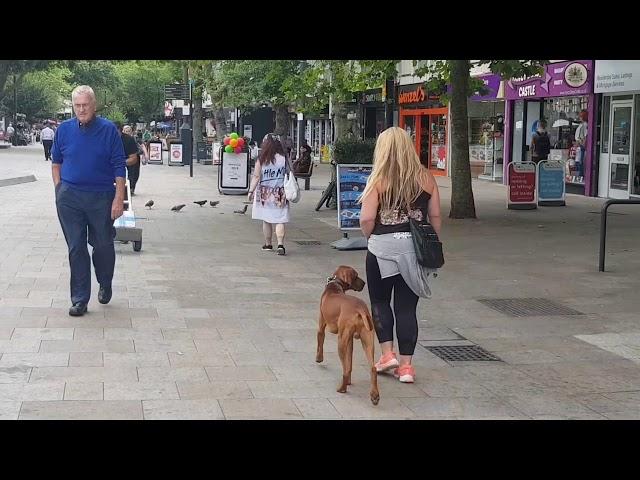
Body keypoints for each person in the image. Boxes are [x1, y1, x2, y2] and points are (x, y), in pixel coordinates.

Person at [359, 127, 442, 384]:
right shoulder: (426, 178)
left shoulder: (378, 179)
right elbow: (436, 216)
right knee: (407, 308)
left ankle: (387, 354)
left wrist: (370, 236)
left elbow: (367, 218)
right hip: (413, 251)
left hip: (381, 248)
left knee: (380, 302)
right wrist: (433, 241)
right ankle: (406, 367)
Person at [51, 85, 127, 317]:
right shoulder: (63, 130)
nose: (81, 109)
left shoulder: (108, 130)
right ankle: (80, 299)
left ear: (94, 105)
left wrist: (119, 198)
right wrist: (59, 190)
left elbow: (119, 166)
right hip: (70, 198)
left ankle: (105, 281)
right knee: (76, 247)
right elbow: (56, 161)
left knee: (103, 244)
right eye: (77, 105)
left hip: (101, 197)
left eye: (85, 105)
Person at [248, 133, 290, 256]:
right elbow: (290, 173)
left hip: (264, 193)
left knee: (266, 219)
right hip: (280, 193)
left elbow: (256, 176)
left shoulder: (262, 159)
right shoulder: (284, 158)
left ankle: (268, 244)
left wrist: (251, 191)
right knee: (280, 219)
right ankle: (281, 244)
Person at [118, 124, 141, 195]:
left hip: (131, 155)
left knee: (133, 171)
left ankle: (131, 187)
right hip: (118, 157)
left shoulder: (130, 139)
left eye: (129, 131)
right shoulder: (109, 138)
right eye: (126, 131)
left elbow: (134, 157)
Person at [574, 109, 588, 179]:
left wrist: (581, 143)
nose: (579, 117)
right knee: (579, 161)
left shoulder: (584, 125)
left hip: (581, 145)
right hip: (580, 145)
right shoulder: (582, 125)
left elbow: (585, 136)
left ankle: (581, 176)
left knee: (581, 162)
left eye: (580, 116)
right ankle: (580, 176)